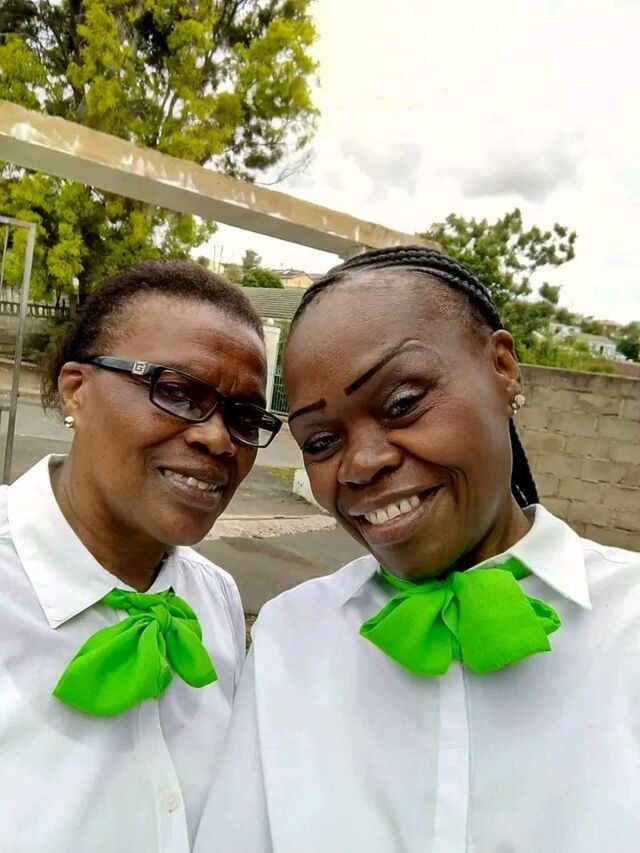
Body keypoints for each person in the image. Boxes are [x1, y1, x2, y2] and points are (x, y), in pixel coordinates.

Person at [195, 246, 640, 852]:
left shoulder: (627, 628)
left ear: (503, 368)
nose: (362, 463)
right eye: (320, 441)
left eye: (403, 403)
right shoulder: (290, 640)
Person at [0, 259, 282, 853]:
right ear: (76, 389)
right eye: (177, 392)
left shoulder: (215, 597)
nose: (219, 438)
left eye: (245, 416)